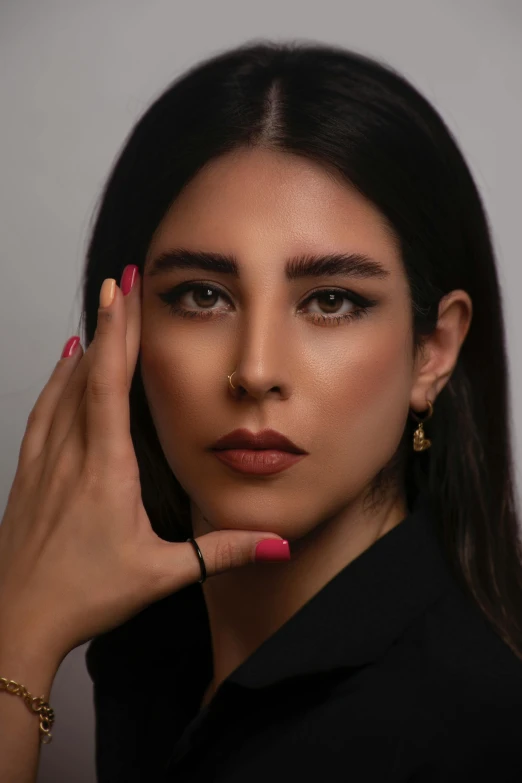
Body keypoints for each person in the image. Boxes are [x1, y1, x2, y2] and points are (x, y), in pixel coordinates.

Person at [1, 38, 522, 783]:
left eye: (332, 301)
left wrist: (14, 646)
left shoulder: (474, 729)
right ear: (125, 328)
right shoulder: (150, 656)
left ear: (433, 351)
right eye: (201, 295)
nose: (255, 370)